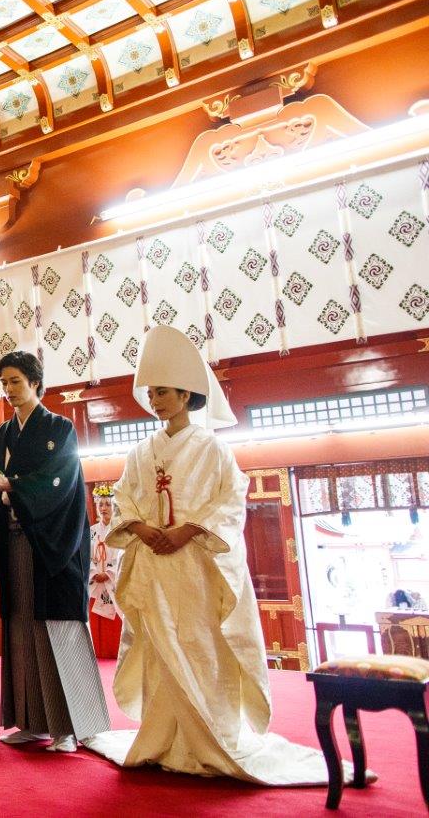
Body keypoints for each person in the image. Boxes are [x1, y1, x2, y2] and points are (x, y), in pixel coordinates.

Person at [83, 325, 348, 785]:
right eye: (152, 392)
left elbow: (230, 501)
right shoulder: (141, 451)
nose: (156, 400)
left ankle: (213, 737)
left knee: (203, 646)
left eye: (163, 392)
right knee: (161, 651)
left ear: (187, 396)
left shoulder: (214, 448)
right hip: (154, 564)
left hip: (197, 566)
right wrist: (146, 528)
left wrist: (187, 530)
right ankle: (163, 737)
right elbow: (124, 498)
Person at [0, 350, 110, 753]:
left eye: (16, 381)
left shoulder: (59, 428)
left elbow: (57, 483)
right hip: (14, 545)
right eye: (5, 383)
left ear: (35, 383)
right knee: (21, 628)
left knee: (56, 629)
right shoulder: (1, 435)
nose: (9, 390)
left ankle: (69, 728)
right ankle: (31, 721)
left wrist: (10, 486)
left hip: (52, 545)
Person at [87, 484, 123, 659]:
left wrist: (108, 574)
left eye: (107, 504)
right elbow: (86, 556)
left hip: (112, 582)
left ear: (114, 505)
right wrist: (94, 573)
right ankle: (98, 651)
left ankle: (114, 651)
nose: (103, 508)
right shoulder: (91, 532)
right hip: (95, 581)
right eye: (100, 504)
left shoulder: (119, 530)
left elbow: (121, 556)